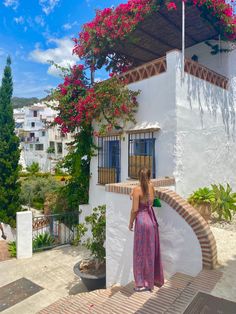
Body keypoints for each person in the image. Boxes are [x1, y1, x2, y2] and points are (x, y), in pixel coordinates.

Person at [129, 168, 164, 292]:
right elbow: (153, 201)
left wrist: (130, 223)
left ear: (138, 176)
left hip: (142, 223)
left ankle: (141, 283)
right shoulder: (152, 186)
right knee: (150, 251)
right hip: (152, 221)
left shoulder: (136, 190)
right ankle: (152, 280)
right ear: (150, 176)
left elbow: (134, 210)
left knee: (140, 253)